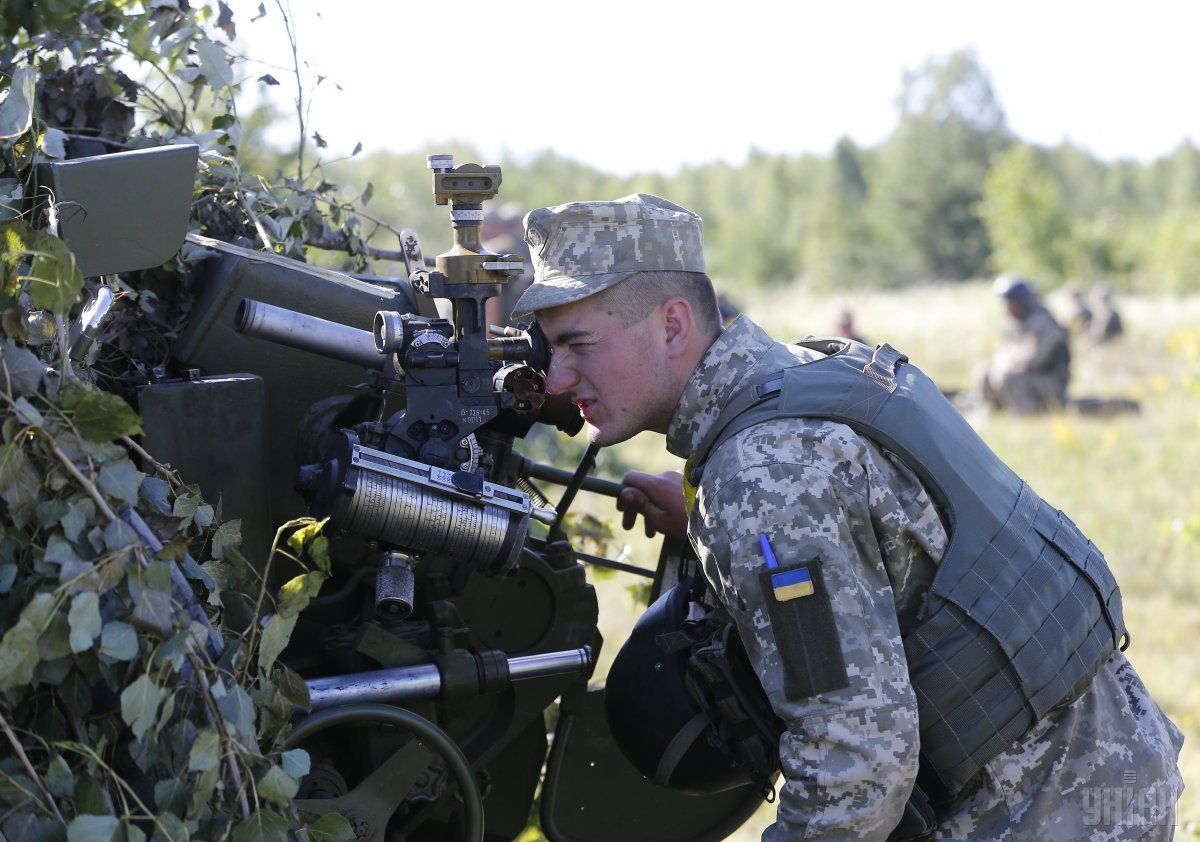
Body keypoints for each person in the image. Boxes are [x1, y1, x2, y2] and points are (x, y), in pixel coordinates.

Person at [513, 194, 1183, 840]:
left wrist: (739, 515)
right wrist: (703, 521)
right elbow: (879, 543)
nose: (561, 378)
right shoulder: (817, 372)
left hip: (1038, 809)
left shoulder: (762, 474)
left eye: (579, 344)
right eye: (552, 351)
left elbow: (854, 763)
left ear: (673, 325)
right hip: (1103, 757)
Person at [975, 275, 1071, 413]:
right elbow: (1003, 350)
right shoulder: (1014, 321)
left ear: (1019, 302)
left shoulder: (1043, 322)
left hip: (1051, 381)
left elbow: (1034, 360)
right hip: (1028, 376)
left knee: (1009, 377)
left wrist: (1010, 363)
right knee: (983, 372)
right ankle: (990, 411)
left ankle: (1025, 414)